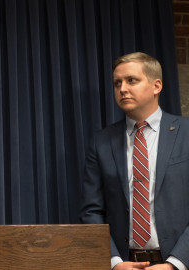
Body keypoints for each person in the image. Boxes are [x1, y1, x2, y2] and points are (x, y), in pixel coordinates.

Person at [80, 52, 189, 270]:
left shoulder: (186, 133)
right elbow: (92, 211)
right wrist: (113, 262)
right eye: (117, 83)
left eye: (132, 80)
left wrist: (175, 264)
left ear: (156, 86)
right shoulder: (101, 142)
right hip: (123, 264)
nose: (122, 89)